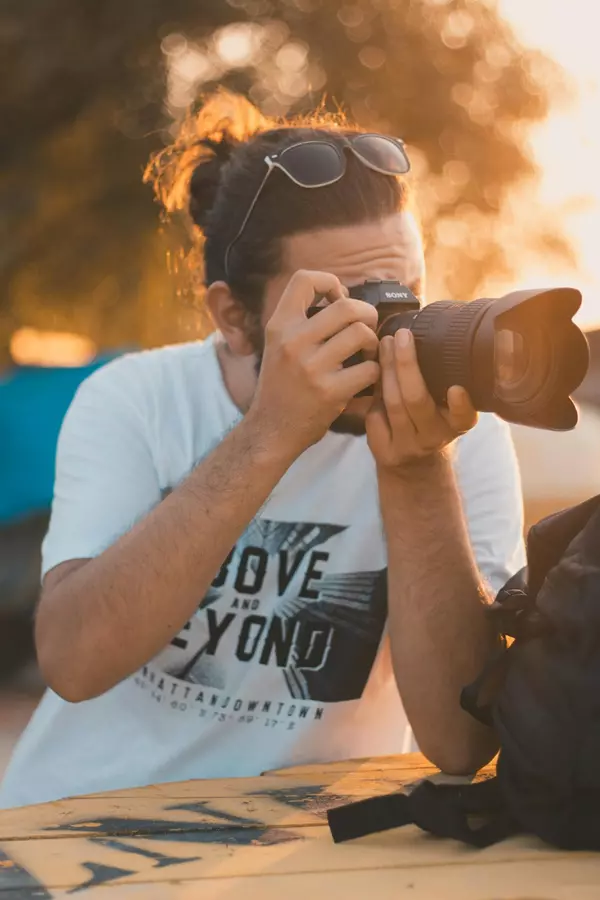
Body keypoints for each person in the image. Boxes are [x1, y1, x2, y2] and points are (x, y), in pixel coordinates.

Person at [0, 92, 524, 809]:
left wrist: (417, 472)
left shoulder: (463, 437)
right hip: (83, 820)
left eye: (405, 293)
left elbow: (463, 744)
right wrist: (270, 434)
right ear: (233, 318)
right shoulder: (139, 398)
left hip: (305, 846)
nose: (383, 327)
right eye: (341, 302)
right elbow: (74, 661)